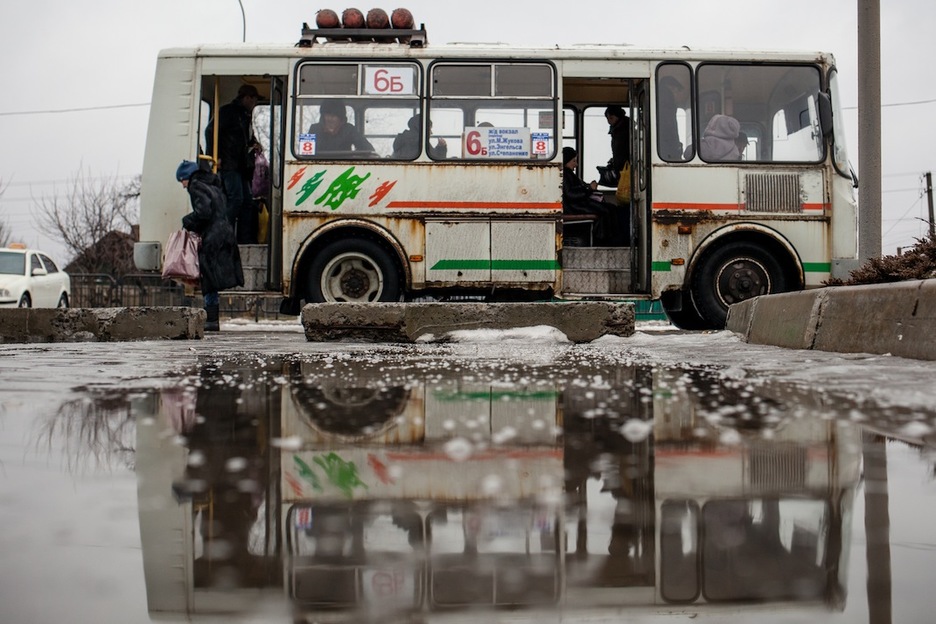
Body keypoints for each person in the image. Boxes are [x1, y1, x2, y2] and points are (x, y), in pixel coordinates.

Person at [175, 160, 245, 332]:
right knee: (213, 276)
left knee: (209, 278)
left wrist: (187, 221)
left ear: (187, 177)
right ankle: (212, 318)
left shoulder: (196, 186)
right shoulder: (212, 184)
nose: (183, 185)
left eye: (182, 180)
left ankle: (211, 319)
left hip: (213, 236)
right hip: (225, 231)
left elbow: (204, 212)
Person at [205, 84, 263, 245]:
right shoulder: (228, 112)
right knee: (236, 199)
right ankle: (224, 235)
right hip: (229, 164)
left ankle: (244, 239)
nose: (254, 104)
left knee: (247, 202)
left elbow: (243, 138)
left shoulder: (245, 115)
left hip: (241, 165)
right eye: (254, 100)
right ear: (247, 98)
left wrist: (253, 144)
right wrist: (215, 156)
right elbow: (210, 131)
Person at [562, 147, 627, 246]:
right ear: (566, 161)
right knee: (607, 211)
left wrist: (588, 188)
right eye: (574, 161)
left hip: (577, 204)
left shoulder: (568, 174)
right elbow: (571, 194)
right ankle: (604, 241)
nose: (576, 164)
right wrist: (590, 189)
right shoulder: (565, 175)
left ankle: (610, 239)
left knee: (611, 209)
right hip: (573, 207)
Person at [307, 99, 375, 154]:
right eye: (327, 115)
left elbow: (368, 149)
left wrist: (354, 157)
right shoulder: (314, 129)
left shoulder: (349, 129)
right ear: (323, 116)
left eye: (334, 116)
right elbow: (306, 153)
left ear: (341, 118)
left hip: (345, 167)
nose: (330, 119)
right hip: (318, 167)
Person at [658, 76, 689, 161]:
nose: (678, 94)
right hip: (668, 155)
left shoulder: (663, 107)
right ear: (671, 89)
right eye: (677, 90)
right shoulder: (667, 108)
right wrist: (676, 150)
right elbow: (670, 133)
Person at [605, 105, 631, 172]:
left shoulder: (623, 130)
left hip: (625, 166)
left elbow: (621, 150)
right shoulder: (618, 129)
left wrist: (618, 163)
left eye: (611, 118)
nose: (609, 121)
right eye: (607, 118)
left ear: (618, 116)